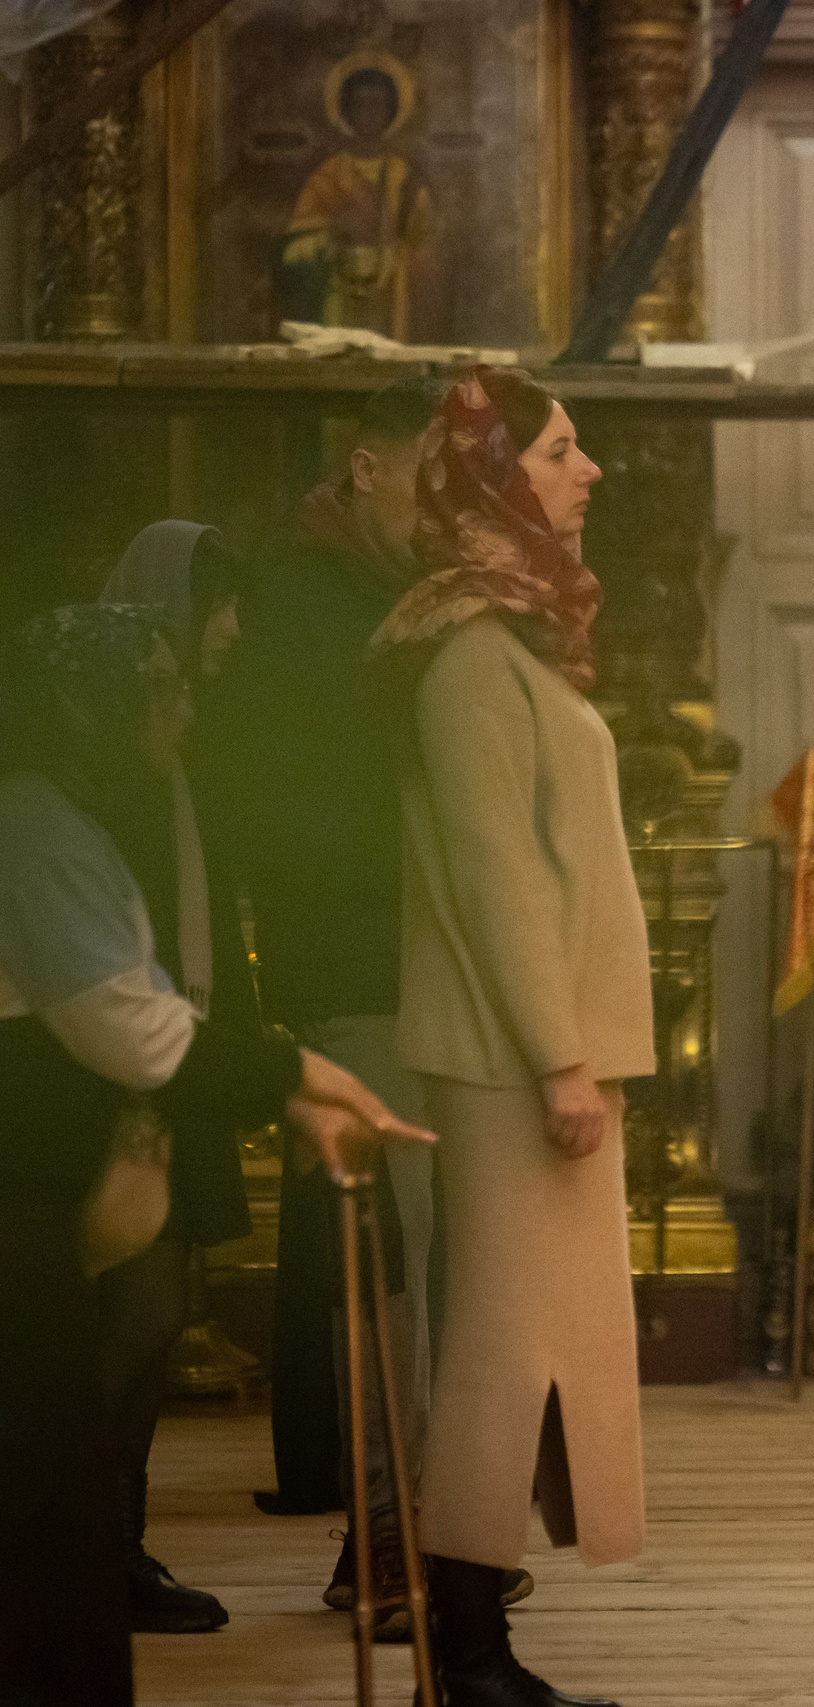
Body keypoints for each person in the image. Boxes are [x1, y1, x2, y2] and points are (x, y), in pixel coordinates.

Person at [0, 605, 429, 1707]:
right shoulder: (37, 820)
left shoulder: (80, 811)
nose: (180, 706)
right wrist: (289, 1076)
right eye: (155, 686)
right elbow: (123, 1020)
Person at [370, 366, 648, 1707]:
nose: (584, 469)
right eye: (558, 449)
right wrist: (558, 1054)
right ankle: (463, 1655)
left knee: (524, 1346)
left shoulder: (511, 635)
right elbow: (497, 874)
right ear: (495, 479)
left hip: (534, 1052)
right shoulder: (471, 651)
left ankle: (474, 1645)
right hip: (508, 1060)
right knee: (497, 1347)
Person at [194, 375, 469, 1627]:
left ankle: (425, 1533)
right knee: (391, 1272)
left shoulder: (385, 594)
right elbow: (281, 809)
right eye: (432, 478)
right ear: (367, 468)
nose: (451, 510)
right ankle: (386, 1543)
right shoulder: (304, 606)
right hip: (358, 971)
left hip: (422, 966)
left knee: (432, 1267)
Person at [88, 521, 260, 1635]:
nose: (233, 632)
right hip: (127, 1068)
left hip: (173, 1052)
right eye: (218, 608)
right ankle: (95, 1547)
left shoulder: (188, 742)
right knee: (133, 1316)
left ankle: (113, 1543)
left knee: (154, 1315)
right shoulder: (112, 760)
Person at [276, 59, 441, 340]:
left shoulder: (406, 178)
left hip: (392, 295)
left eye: (377, 104)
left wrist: (399, 259)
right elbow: (292, 252)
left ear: (391, 111)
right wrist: (329, 241)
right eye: (360, 104)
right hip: (338, 295)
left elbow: (427, 245)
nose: (369, 113)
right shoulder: (327, 178)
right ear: (346, 112)